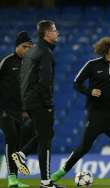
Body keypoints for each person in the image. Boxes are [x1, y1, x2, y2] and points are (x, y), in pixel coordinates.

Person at [50, 37, 110, 187]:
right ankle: (60, 172)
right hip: (95, 113)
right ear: (103, 52)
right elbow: (76, 83)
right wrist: (90, 91)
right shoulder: (92, 65)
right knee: (84, 147)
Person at [12, 20, 64, 188]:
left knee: (45, 134)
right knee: (46, 139)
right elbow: (45, 82)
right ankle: (46, 182)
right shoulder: (45, 53)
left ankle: (22, 154)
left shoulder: (32, 51)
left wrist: (25, 101)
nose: (57, 33)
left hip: (29, 100)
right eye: (55, 30)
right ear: (47, 33)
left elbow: (23, 78)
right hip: (40, 102)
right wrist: (48, 102)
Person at [0, 31, 33, 188]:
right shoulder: (6, 62)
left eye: (30, 47)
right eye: (25, 46)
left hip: (19, 111)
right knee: (11, 137)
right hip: (3, 108)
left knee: (17, 144)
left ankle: (15, 179)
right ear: (17, 47)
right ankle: (11, 178)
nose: (27, 49)